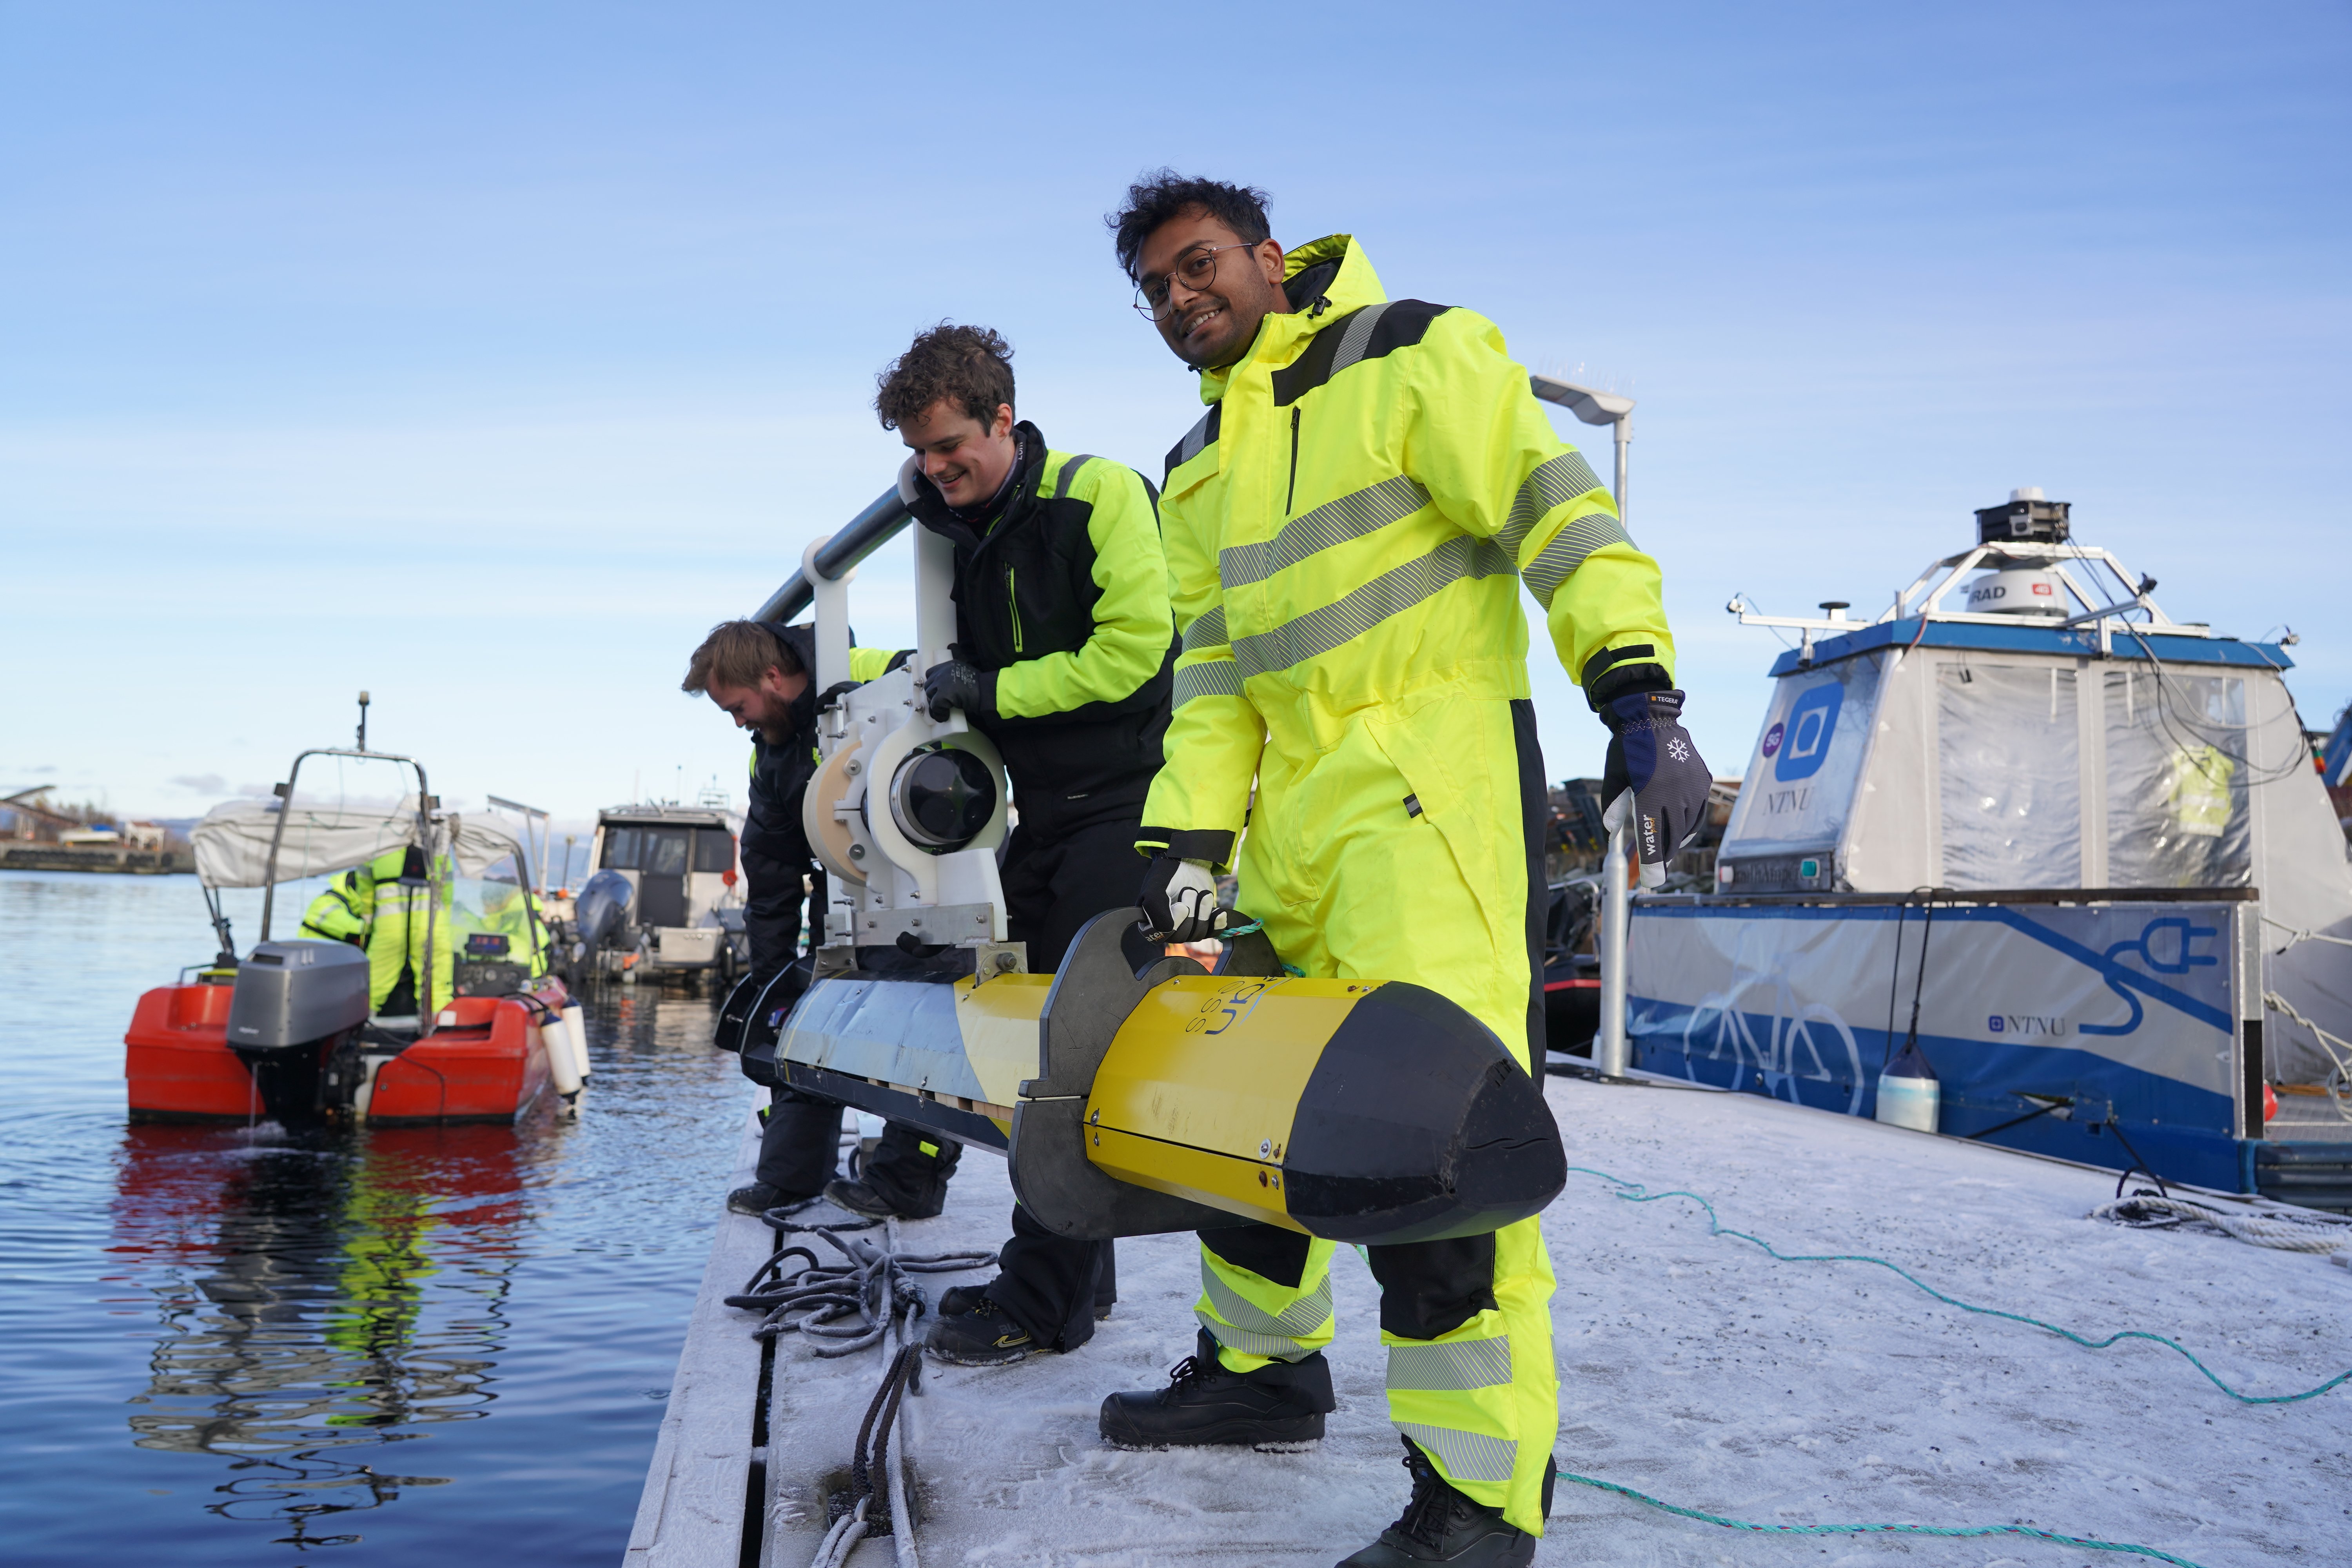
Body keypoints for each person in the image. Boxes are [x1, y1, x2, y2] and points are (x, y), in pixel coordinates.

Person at [1096, 173, 1715, 1568]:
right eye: (1155, 289)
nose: (1181, 299)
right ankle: (1265, 1370)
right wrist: (1184, 851)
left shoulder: (1415, 354)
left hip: (1430, 816)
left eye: (1198, 267)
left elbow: (1563, 519)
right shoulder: (1192, 469)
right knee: (1239, 1115)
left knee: (1442, 1168)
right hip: (1290, 838)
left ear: (1267, 256)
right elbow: (1210, 686)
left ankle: (1477, 1507)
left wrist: (1638, 690)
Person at [875, 322, 1178, 1368]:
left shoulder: (1100, 496)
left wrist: (994, 694)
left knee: (1069, 1045)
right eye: (919, 454)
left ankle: (1043, 1297)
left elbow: (1137, 655)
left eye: (951, 446)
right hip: (1040, 815)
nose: (935, 469)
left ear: (1005, 420)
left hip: (1130, 798)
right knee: (1028, 1036)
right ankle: (1078, 1277)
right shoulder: (956, 521)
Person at [683, 621, 962, 1221]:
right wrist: (771, 975)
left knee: (922, 1032)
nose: (737, 723)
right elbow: (770, 866)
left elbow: (952, 693)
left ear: (773, 677)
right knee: (803, 1011)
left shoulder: (872, 668)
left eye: (738, 708)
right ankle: (793, 1177)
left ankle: (909, 1181)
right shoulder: (773, 751)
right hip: (842, 896)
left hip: (929, 883)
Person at [299, 844, 455, 1020]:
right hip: (434, 925)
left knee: (372, 988)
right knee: (438, 989)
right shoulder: (438, 848)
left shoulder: (379, 845)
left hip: (390, 925)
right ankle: (442, 1034)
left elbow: (366, 890)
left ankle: (358, 1032)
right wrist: (442, 920)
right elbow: (447, 892)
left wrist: (370, 918)